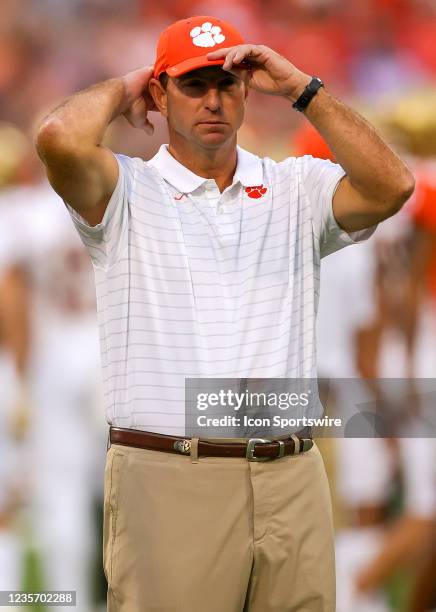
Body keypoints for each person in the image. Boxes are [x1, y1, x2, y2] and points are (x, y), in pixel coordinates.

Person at [35, 14, 415, 612]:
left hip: (291, 470)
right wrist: (127, 82)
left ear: (245, 90)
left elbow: (392, 185)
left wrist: (300, 89)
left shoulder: (295, 187)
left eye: (226, 82)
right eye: (192, 84)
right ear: (159, 94)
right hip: (170, 468)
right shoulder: (127, 187)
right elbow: (57, 135)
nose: (213, 98)